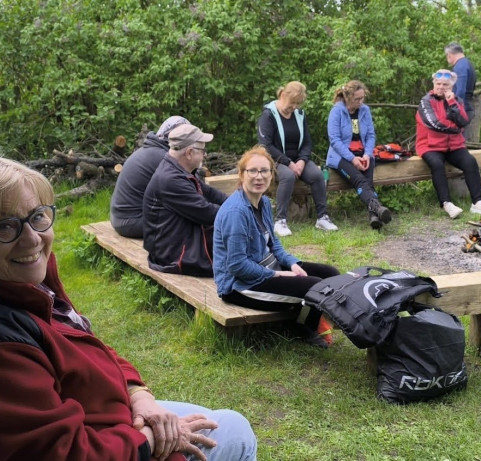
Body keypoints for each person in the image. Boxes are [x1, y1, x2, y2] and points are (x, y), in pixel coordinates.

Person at [0, 154, 257, 461]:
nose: (33, 239)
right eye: (5, 226)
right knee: (234, 430)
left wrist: (140, 395)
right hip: (113, 443)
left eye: (37, 216)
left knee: (212, 418)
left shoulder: (17, 289)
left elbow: (89, 347)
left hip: (112, 418)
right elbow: (65, 454)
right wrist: (150, 439)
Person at [213, 147, 341, 348]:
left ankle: (306, 319)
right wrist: (278, 276)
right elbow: (237, 265)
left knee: (330, 273)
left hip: (268, 268)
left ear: (272, 175)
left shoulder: (263, 202)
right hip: (240, 285)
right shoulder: (236, 212)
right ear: (241, 174)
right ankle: (303, 326)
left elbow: (274, 244)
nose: (259, 177)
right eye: (252, 171)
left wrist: (293, 264)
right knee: (315, 287)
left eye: (265, 171)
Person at [143, 123, 228, 276]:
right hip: (173, 255)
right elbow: (208, 213)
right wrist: (242, 211)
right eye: (203, 151)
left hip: (177, 241)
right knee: (233, 238)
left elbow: (209, 192)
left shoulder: (178, 168)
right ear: (189, 153)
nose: (205, 155)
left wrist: (237, 202)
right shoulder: (171, 179)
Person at [256, 81, 337, 236]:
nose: (294, 107)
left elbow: (307, 142)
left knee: (317, 175)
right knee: (287, 176)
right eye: (292, 102)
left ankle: (322, 217)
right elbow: (266, 145)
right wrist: (288, 163)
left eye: (297, 104)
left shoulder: (300, 115)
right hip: (275, 160)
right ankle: (280, 221)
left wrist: (301, 160)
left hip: (298, 160)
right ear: (282, 95)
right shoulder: (268, 115)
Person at [415, 69, 481, 219]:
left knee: (470, 161)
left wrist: (451, 103)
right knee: (437, 165)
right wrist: (456, 127)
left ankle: (478, 202)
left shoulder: (456, 100)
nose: (441, 87)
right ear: (433, 84)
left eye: (445, 84)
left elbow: (464, 121)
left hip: (454, 146)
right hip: (429, 146)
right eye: (438, 83)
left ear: (451, 86)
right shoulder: (425, 101)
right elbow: (433, 124)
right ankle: (447, 203)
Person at [326, 80, 392, 230]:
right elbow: (334, 140)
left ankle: (374, 216)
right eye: (357, 99)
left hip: (364, 155)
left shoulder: (365, 110)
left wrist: (367, 155)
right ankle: (378, 208)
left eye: (362, 98)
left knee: (367, 183)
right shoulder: (336, 111)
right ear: (348, 97)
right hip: (342, 157)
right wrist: (352, 158)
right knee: (360, 181)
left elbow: (370, 135)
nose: (361, 102)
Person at [110, 116, 190, 238]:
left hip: (120, 218)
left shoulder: (151, 150)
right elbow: (185, 194)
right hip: (131, 222)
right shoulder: (162, 157)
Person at [444, 42, 478, 130]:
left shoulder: (460, 66)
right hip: (467, 106)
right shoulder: (467, 64)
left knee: (456, 141)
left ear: (449, 55)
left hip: (462, 109)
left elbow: (460, 90)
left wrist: (454, 109)